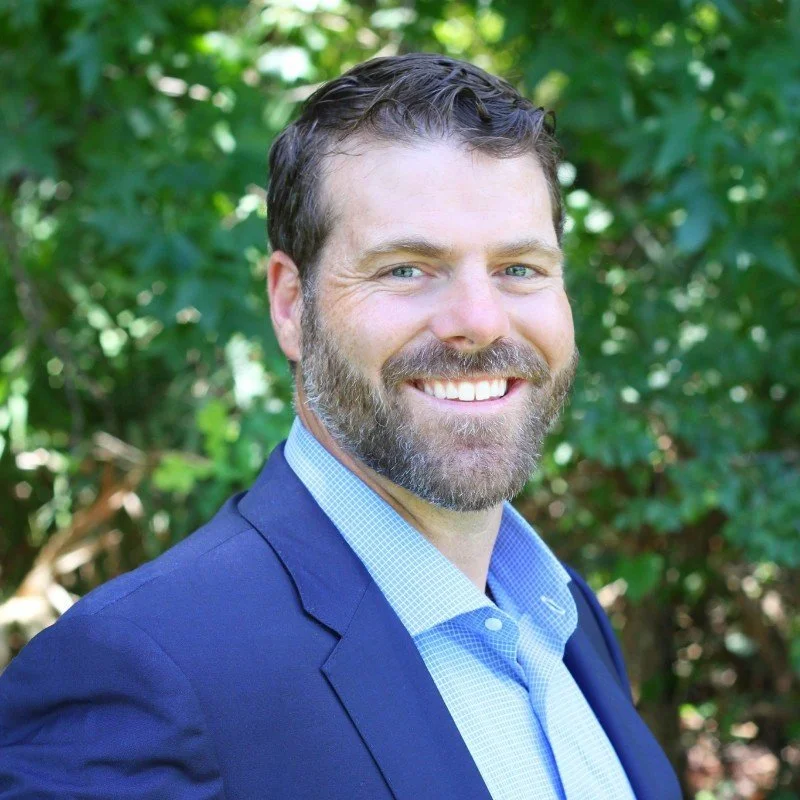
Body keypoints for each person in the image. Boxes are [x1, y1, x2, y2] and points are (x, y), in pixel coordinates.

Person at [0, 53, 681, 799]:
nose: (480, 322)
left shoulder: (565, 616)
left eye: (520, 268)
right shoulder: (143, 672)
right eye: (406, 269)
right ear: (291, 304)